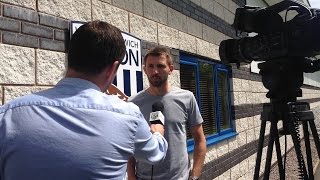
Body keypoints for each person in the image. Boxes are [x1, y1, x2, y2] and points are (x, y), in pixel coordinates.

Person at [0, 21, 168, 180]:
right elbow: (155, 153)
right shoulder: (127, 115)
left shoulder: (7, 115)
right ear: (112, 69)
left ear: (69, 59)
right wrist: (158, 131)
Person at [127, 47, 207, 180]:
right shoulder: (133, 103)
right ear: (145, 69)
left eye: (160, 66)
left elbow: (200, 140)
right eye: (150, 66)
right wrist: (131, 177)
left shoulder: (187, 98)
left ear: (170, 69)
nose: (155, 71)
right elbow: (128, 146)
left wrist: (194, 176)